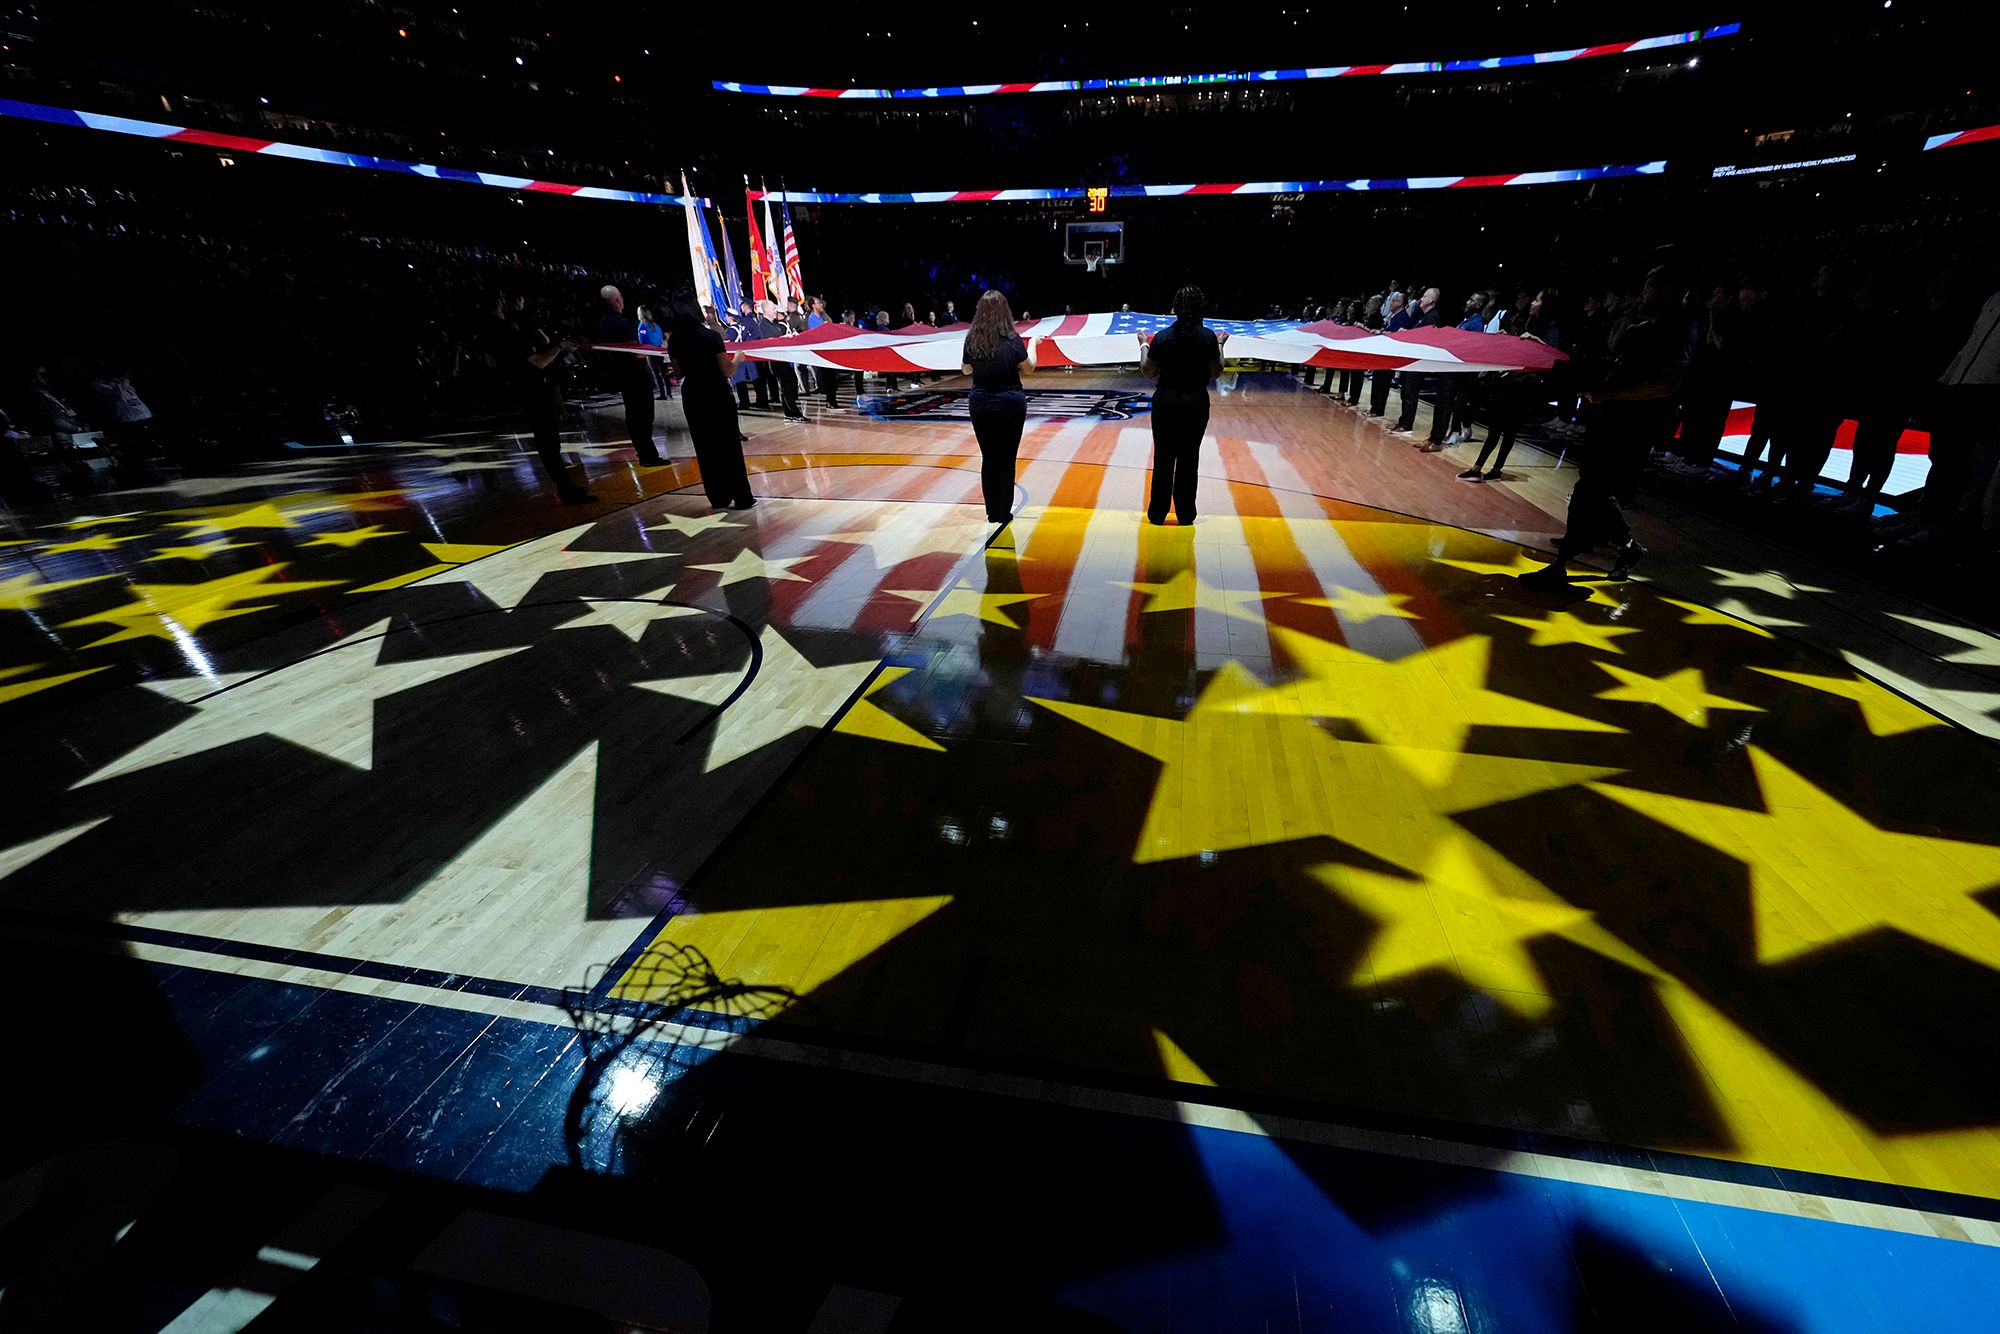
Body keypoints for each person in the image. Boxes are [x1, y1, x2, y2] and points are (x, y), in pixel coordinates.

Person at [1521, 267, 1686, 587]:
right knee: (1594, 487)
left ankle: (1566, 561)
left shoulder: (1680, 330)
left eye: (1650, 289)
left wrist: (1609, 393)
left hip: (1634, 426)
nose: (1642, 295)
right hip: (1610, 417)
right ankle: (1621, 547)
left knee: (1591, 489)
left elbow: (1667, 385)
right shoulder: (1641, 324)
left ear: (1667, 293)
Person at [1138, 285, 1227, 526]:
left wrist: (1144, 344)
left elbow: (1148, 371)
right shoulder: (1207, 337)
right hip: (1196, 403)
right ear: (1200, 308)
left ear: (1175, 308)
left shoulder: (1163, 337)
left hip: (1166, 403)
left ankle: (1157, 513)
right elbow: (1217, 371)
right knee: (1189, 457)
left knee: (1163, 457)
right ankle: (1186, 514)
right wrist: (1220, 344)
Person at [1461, 289, 1562, 482]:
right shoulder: (1530, 322)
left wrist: (1535, 340)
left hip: (1525, 385)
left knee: (1509, 429)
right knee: (1496, 426)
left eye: (1537, 300)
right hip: (1511, 381)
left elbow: (1552, 354)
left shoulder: (1550, 327)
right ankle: (1479, 466)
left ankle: (1493, 468)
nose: (1533, 302)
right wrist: (1509, 338)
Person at [668, 293, 755, 510]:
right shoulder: (711, 337)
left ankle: (718, 498)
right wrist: (738, 358)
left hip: (693, 395)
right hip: (716, 392)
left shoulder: (675, 340)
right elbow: (726, 370)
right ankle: (742, 497)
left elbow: (678, 373)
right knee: (729, 445)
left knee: (705, 446)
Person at [959, 290, 1038, 525]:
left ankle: (991, 512)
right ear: (1005, 311)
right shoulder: (1012, 339)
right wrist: (1033, 343)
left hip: (981, 403)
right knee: (1007, 458)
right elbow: (1029, 368)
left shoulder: (972, 339)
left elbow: (965, 370)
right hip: (1010, 402)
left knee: (989, 457)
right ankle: (1004, 512)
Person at [509, 301, 598, 505]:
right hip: (531, 393)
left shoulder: (517, 331)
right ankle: (565, 489)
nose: (522, 304)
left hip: (538, 389)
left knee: (551, 441)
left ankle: (566, 486)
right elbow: (537, 362)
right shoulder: (514, 334)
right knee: (547, 442)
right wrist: (559, 347)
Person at [596, 284, 665, 466]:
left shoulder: (604, 322)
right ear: (618, 300)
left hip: (623, 375)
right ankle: (648, 454)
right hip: (635, 374)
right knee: (642, 415)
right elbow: (635, 350)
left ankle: (644, 452)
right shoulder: (621, 322)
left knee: (635, 415)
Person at [1395, 287, 1442, 435]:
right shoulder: (1422, 316)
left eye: (1424, 296)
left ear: (1432, 300)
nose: (1421, 299)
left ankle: (1407, 424)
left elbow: (1426, 338)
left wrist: (1408, 335)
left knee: (1410, 393)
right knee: (1405, 392)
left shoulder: (1432, 317)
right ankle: (1403, 420)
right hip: (1411, 360)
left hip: (1418, 362)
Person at [635, 305, 672, 400]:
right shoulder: (656, 325)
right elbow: (660, 337)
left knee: (656, 373)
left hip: (650, 352)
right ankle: (668, 392)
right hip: (659, 351)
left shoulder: (642, 326)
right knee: (663, 372)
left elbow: (642, 340)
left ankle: (662, 394)